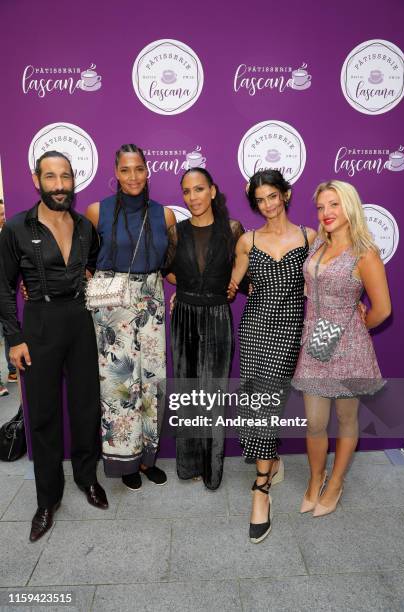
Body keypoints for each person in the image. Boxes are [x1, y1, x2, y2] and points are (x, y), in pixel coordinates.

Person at [0, 151, 108, 542]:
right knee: (43, 416)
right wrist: (14, 339)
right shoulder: (16, 228)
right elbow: (2, 286)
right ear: (36, 180)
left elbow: (93, 261)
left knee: (85, 408)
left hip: (80, 321)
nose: (60, 185)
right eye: (51, 177)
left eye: (65, 177)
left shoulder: (84, 227)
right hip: (39, 325)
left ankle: (86, 478)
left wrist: (88, 274)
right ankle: (47, 500)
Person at [292, 180, 391, 516]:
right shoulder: (318, 244)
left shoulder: (365, 253)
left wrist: (358, 324)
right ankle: (315, 478)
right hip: (318, 338)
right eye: (321, 207)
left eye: (334, 204)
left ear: (349, 206)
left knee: (347, 419)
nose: (326, 213)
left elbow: (382, 309)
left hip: (349, 345)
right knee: (315, 422)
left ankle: (335, 483)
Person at [230, 169, 316, 543]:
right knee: (254, 405)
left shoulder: (310, 238)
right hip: (254, 330)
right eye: (260, 200)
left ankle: (260, 489)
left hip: (287, 332)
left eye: (272, 196)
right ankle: (273, 460)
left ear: (286, 194)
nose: (267, 205)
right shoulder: (247, 241)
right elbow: (232, 283)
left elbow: (325, 281)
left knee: (266, 404)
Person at [86, 144, 176, 491]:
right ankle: (124, 461)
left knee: (152, 382)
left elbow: (170, 265)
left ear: (148, 170)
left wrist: (183, 288)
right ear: (116, 172)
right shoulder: (98, 211)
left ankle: (146, 458)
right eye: (125, 169)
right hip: (113, 309)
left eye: (139, 168)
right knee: (119, 385)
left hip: (151, 303)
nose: (133, 176)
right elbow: (84, 257)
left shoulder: (164, 215)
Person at [166, 167, 245, 490]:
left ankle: (212, 470)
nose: (193, 197)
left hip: (216, 317)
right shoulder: (176, 232)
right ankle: (189, 466)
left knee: (212, 394)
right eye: (187, 191)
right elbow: (166, 271)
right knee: (186, 392)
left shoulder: (232, 229)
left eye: (198, 189)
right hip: (184, 315)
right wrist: (184, 290)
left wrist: (232, 286)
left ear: (212, 191)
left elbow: (245, 274)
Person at [0, 199, 17, 389]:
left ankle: (13, 371)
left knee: (8, 333)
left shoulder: (7, 234)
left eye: (4, 213)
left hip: (6, 293)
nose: (3, 217)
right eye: (0, 214)